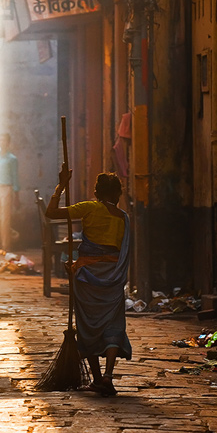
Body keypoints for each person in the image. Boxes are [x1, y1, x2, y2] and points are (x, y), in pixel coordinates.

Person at [46, 166, 131, 396]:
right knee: (114, 325)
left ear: (96, 192)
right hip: (113, 277)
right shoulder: (124, 218)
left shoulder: (89, 208)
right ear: (117, 195)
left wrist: (61, 185)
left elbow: (50, 213)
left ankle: (96, 377)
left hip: (86, 276)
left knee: (87, 325)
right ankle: (108, 376)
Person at [0, 132, 20, 252]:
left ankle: (5, 247)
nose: (2, 142)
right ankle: (12, 234)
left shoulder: (12, 159)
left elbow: (15, 177)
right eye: (0, 140)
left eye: (4, 140)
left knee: (5, 219)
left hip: (7, 188)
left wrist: (17, 195)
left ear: (8, 143)